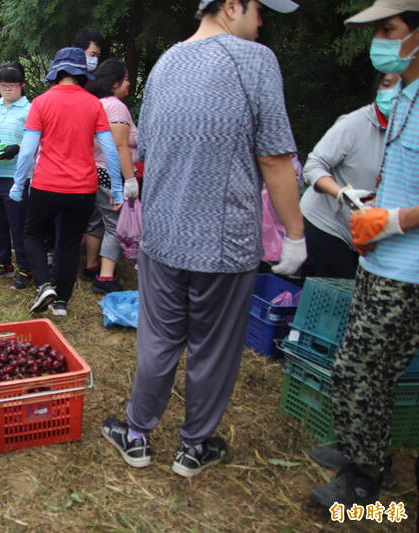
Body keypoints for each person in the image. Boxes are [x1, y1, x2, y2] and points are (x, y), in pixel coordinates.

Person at [102, 0, 305, 478]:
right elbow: (275, 158)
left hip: (164, 235)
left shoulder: (166, 63)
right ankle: (193, 447)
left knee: (159, 339)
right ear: (232, 6)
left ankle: (137, 435)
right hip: (224, 242)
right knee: (213, 347)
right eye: (260, 11)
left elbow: (145, 145)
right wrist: (294, 233)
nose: (262, 23)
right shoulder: (255, 60)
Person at [308, 0, 419, 508]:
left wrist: (395, 221)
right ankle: (360, 450)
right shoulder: (404, 98)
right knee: (358, 365)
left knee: (364, 370)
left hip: (408, 269)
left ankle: (364, 479)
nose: (380, 41)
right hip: (378, 258)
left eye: (389, 29)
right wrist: (371, 210)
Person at [10, 47, 124, 317]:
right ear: (82, 73)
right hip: (84, 188)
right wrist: (117, 188)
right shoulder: (93, 103)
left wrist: (17, 184)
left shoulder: (42, 102)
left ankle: (43, 285)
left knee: (34, 234)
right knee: (70, 242)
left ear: (57, 72)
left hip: (46, 184)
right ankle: (61, 301)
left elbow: (27, 150)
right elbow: (110, 148)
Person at [300, 73, 400, 278]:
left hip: (374, 234)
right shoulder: (354, 124)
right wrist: (342, 194)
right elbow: (313, 166)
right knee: (340, 292)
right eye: (387, 84)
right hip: (329, 224)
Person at [84, 58, 141, 294]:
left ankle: (91, 266)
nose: (129, 84)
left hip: (95, 172)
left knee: (96, 221)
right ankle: (105, 277)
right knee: (115, 224)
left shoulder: (95, 104)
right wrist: (128, 181)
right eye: (126, 79)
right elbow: (120, 146)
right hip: (112, 175)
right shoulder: (115, 106)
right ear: (115, 82)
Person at [0, 62, 33, 290]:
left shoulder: (29, 110)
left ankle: (24, 267)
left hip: (16, 176)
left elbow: (36, 141)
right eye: (3, 85)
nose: (8, 89)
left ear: (21, 85)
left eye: (12, 85)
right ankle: (4, 263)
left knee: (17, 225)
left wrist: (17, 148)